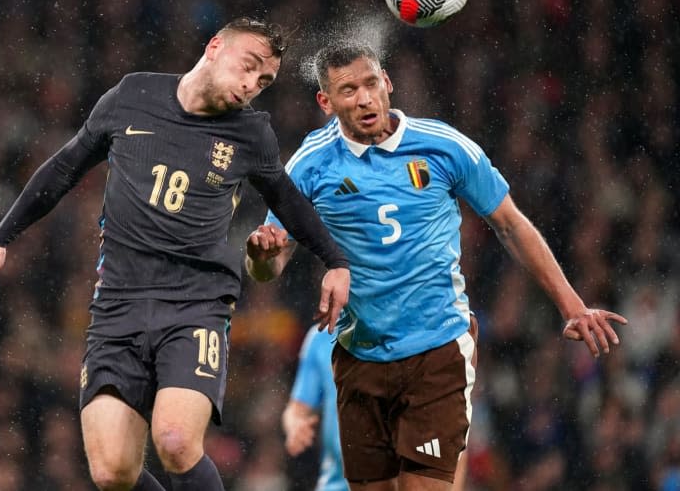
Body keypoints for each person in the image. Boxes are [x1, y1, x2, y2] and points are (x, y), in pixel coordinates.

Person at [0, 17, 351, 491]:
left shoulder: (250, 134)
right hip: (117, 305)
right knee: (112, 472)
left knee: (175, 440)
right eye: (248, 67)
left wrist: (335, 261)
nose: (251, 85)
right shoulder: (132, 96)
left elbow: (288, 201)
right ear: (214, 47)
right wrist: (2, 236)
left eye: (263, 81)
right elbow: (65, 166)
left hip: (195, 305)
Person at [245, 43, 627, 491]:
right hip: (360, 356)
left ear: (387, 83)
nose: (364, 99)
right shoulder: (310, 164)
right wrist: (261, 255)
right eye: (348, 91)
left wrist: (572, 306)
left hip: (438, 350)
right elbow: (269, 267)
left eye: (371, 84)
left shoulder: (443, 145)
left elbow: (510, 224)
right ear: (326, 103)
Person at [282, 325, 349, 491]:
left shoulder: (411, 329)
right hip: (337, 482)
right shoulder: (322, 337)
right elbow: (296, 409)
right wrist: (295, 425)